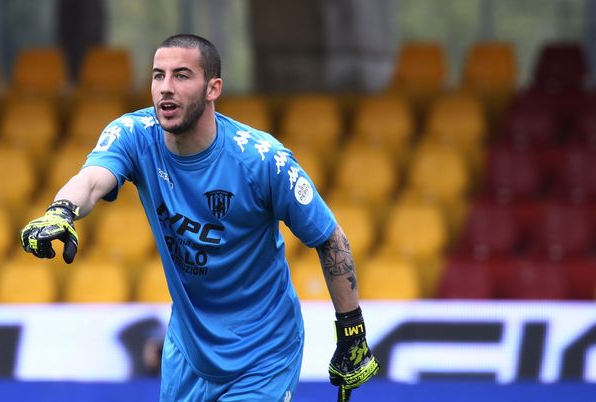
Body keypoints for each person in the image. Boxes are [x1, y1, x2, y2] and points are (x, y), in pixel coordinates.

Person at [20, 33, 378, 401]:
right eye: (158, 76)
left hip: (263, 353)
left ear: (213, 88)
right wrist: (61, 210)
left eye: (182, 75)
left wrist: (352, 330)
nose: (165, 89)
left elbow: (329, 238)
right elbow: (92, 179)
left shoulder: (264, 160)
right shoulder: (134, 134)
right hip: (189, 353)